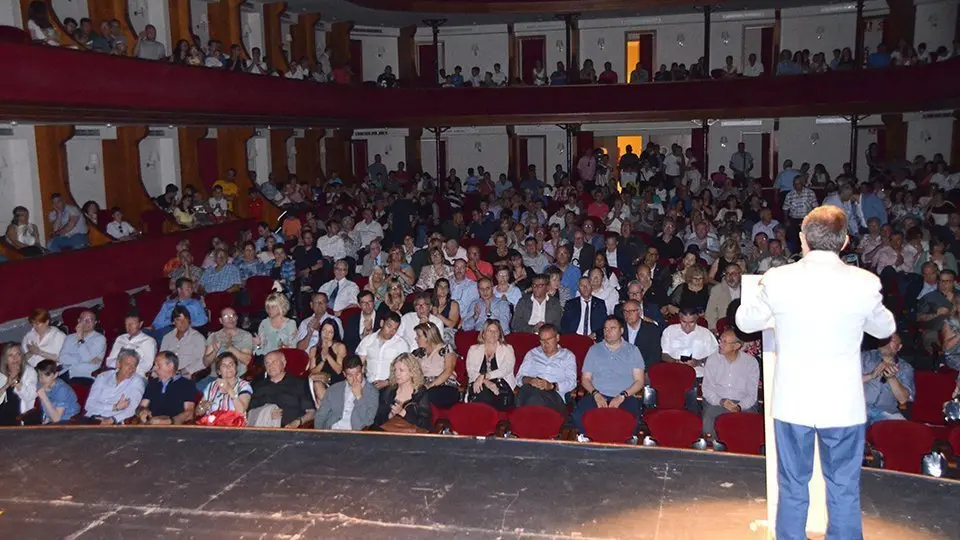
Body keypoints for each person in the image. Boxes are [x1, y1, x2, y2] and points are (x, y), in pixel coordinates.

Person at [736, 205, 895, 540]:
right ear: (846, 241)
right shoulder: (864, 282)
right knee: (844, 489)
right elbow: (885, 328)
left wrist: (773, 313)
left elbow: (744, 321)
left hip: (793, 403)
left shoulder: (778, 279)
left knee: (793, 485)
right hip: (843, 406)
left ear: (802, 239)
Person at [572, 317, 646, 435]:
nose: (608, 332)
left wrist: (622, 396)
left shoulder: (633, 351)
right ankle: (591, 445)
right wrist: (596, 394)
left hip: (624, 396)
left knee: (630, 420)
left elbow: (639, 381)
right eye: (605, 329)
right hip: (597, 394)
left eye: (612, 328)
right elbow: (585, 379)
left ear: (621, 331)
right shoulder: (594, 350)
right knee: (579, 416)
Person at [700, 330, 760, 437]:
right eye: (720, 340)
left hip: (742, 403)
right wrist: (721, 401)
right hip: (719, 401)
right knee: (708, 423)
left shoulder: (750, 362)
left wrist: (739, 407)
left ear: (736, 346)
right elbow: (707, 389)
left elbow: (752, 394)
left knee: (751, 428)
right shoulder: (713, 359)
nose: (720, 344)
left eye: (724, 342)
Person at [514, 324, 576, 416]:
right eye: (542, 340)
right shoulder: (532, 354)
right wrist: (530, 380)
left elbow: (572, 382)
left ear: (557, 338)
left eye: (549, 339)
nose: (545, 343)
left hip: (553, 395)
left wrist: (551, 386)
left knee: (534, 399)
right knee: (529, 392)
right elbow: (519, 378)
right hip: (530, 390)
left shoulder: (568, 356)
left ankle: (523, 422)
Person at [248, 351, 315, 428]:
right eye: (267, 363)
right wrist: (267, 413)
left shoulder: (299, 384)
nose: (271, 366)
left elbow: (311, 412)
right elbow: (250, 413)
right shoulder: (259, 386)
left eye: (274, 362)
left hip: (291, 431)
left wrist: (297, 422)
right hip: (263, 429)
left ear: (284, 363)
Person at [313, 354, 379, 430]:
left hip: (353, 434)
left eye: (357, 374)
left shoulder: (372, 392)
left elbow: (368, 421)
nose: (355, 379)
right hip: (332, 430)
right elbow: (321, 415)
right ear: (344, 374)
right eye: (350, 375)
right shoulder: (334, 389)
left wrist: (359, 397)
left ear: (363, 370)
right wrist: (317, 434)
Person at [82, 349, 147, 424]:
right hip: (91, 418)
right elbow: (89, 404)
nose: (131, 369)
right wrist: (114, 407)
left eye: (134, 366)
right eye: (127, 364)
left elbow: (132, 409)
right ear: (118, 364)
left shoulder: (137, 382)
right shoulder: (103, 377)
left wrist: (112, 419)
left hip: (113, 422)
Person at [861, 334, 914, 425]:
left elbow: (903, 399)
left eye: (892, 341)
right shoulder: (865, 357)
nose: (887, 344)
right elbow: (845, 383)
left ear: (899, 347)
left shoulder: (905, 367)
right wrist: (871, 375)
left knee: (907, 432)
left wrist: (891, 378)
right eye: (886, 341)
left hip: (887, 412)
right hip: (861, 409)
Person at [372, 353, 432, 431]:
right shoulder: (388, 391)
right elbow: (377, 421)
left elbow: (425, 424)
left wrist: (403, 413)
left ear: (412, 372)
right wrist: (390, 416)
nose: (397, 374)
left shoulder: (420, 392)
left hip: (412, 439)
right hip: (389, 437)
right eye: (395, 370)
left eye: (401, 370)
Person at [465, 320, 516, 410]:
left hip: (501, 388)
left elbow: (506, 369)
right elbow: (471, 372)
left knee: (484, 396)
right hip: (479, 385)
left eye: (496, 331)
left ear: (500, 334)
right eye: (490, 331)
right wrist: (486, 382)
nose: (493, 334)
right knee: (483, 392)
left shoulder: (507, 348)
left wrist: (485, 376)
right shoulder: (473, 349)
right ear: (483, 334)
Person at [136, 351, 197, 425]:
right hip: (151, 425)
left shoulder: (186, 384)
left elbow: (189, 413)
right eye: (154, 365)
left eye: (158, 365)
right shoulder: (153, 383)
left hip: (174, 427)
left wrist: (169, 422)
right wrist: (142, 411)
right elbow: (141, 406)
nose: (154, 368)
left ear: (170, 365)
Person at [411, 322, 460, 408]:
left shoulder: (445, 349)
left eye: (419, 336)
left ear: (428, 337)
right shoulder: (418, 353)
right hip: (424, 387)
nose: (415, 338)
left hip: (444, 386)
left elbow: (448, 371)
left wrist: (429, 386)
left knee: (425, 396)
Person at [356, 312, 409, 390]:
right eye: (389, 326)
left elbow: (406, 369)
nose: (391, 331)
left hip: (391, 385)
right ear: (382, 323)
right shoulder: (368, 340)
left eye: (395, 329)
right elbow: (358, 364)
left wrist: (387, 382)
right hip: (369, 384)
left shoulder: (401, 344)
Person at [196, 352, 253, 418]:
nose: (228, 367)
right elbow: (198, 413)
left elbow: (241, 411)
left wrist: (229, 390)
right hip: (213, 425)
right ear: (219, 371)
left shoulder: (244, 386)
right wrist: (204, 407)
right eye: (224, 365)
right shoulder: (212, 386)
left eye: (231, 364)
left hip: (234, 425)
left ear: (236, 368)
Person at [57, 309, 107, 381]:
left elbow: (86, 358)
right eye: (83, 319)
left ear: (95, 322)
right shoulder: (70, 337)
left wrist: (80, 338)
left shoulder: (100, 339)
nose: (86, 322)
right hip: (66, 372)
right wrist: (81, 360)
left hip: (85, 376)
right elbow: (62, 358)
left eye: (90, 320)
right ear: (78, 321)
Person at [105, 311, 157, 376]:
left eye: (132, 324)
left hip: (136, 375)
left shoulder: (149, 341)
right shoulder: (121, 338)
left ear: (140, 324)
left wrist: (127, 368)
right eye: (126, 324)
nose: (129, 327)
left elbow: (147, 365)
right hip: (116, 372)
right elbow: (110, 360)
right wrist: (121, 367)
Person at [0, 344, 39, 425]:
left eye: (18, 354)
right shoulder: (2, 374)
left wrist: (17, 382)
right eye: (11, 355)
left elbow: (30, 396)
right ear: (5, 359)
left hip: (20, 416)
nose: (15, 358)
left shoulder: (29, 372)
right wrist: (7, 385)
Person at [34, 359, 80, 424]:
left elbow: (57, 419)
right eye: (40, 375)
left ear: (55, 375)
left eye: (47, 375)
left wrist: (44, 397)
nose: (42, 379)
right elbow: (46, 409)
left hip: (69, 420)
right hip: (52, 419)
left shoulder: (62, 389)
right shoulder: (41, 383)